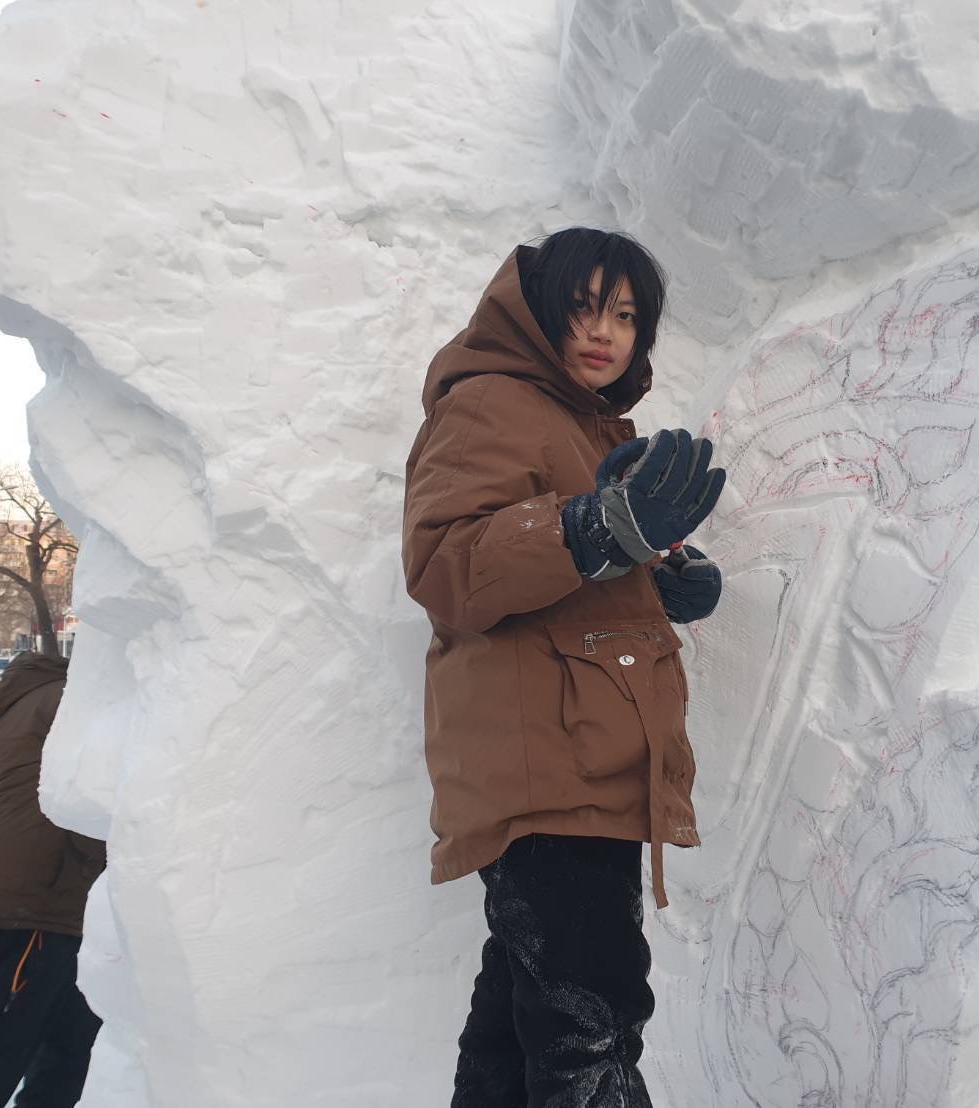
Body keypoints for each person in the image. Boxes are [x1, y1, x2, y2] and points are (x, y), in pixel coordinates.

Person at [402, 227, 725, 1106]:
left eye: (624, 315)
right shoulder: (491, 403)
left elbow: (561, 578)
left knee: (518, 1034)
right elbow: (446, 564)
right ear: (536, 312)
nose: (603, 331)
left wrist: (655, 578)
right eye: (582, 307)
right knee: (591, 1032)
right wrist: (593, 529)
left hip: (574, 761)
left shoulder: (579, 423)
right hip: (545, 765)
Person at [0, 651, 106, 1108]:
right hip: (24, 914)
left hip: (7, 910)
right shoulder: (70, 702)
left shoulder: (10, 717)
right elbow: (103, 794)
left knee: (67, 1056)